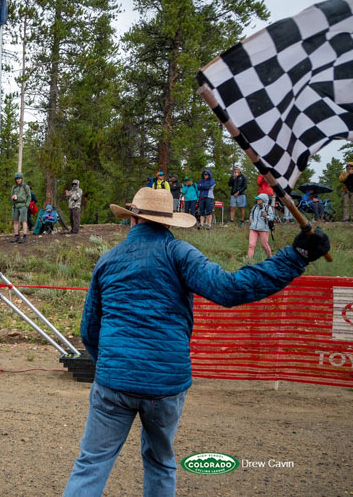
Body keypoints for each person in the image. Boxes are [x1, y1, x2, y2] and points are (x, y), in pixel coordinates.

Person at [63, 187, 331, 497]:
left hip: (114, 382)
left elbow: (89, 330)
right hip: (165, 384)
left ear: (133, 219)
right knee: (160, 463)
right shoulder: (179, 254)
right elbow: (230, 289)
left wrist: (111, 365)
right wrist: (295, 258)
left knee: (91, 463)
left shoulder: (107, 261)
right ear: (169, 223)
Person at [248, 194, 274, 260]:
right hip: (253, 228)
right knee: (251, 245)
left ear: (263, 200)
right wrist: (250, 219)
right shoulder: (254, 207)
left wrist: (266, 216)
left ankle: (270, 257)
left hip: (264, 229)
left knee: (264, 245)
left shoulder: (268, 208)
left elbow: (272, 218)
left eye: (259, 199)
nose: (257, 200)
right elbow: (251, 214)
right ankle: (249, 260)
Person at [10, 173, 31, 243]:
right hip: (15, 205)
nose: (18, 180)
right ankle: (16, 236)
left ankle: (24, 236)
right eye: (17, 179)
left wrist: (26, 205)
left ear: (21, 179)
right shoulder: (14, 187)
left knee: (24, 221)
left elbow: (29, 196)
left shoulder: (25, 186)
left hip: (23, 205)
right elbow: (11, 196)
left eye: (19, 179)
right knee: (15, 221)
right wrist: (12, 198)